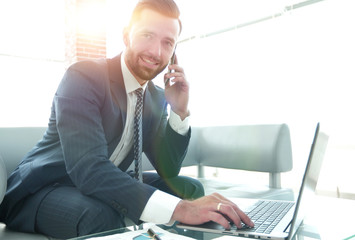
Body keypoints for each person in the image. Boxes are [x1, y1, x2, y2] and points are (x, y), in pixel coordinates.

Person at [0, 0, 254, 238]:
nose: (156, 51)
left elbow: (169, 169)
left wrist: (179, 111)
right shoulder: (83, 77)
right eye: (147, 36)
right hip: (46, 188)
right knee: (101, 215)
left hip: (97, 185)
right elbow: (88, 169)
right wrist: (179, 210)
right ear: (126, 36)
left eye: (168, 43)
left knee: (189, 189)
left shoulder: (155, 97)